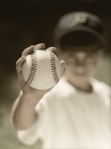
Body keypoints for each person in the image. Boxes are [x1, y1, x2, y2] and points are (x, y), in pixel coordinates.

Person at [10, 11, 111, 149]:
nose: (80, 64)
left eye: (89, 56)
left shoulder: (106, 94)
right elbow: (22, 125)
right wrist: (30, 98)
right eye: (72, 55)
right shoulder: (50, 94)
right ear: (59, 56)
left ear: (100, 57)